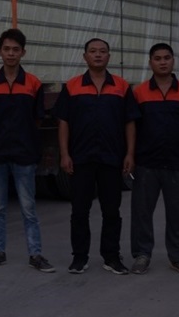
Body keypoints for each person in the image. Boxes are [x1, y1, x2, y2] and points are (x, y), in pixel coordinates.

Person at [54, 38, 140, 275]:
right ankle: (79, 257)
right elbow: (63, 122)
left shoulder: (121, 86)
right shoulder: (72, 86)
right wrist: (64, 154)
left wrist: (130, 153)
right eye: (93, 51)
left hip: (111, 159)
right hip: (81, 158)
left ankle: (111, 256)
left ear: (109, 57)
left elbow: (130, 122)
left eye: (103, 51)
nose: (98, 55)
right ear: (85, 57)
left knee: (111, 211)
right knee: (79, 211)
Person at [0, 28, 55, 273]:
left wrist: (22, 136)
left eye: (15, 49)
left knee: (28, 208)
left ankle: (35, 254)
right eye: (6, 49)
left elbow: (37, 119)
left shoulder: (33, 83)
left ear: (23, 53)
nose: (11, 53)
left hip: (24, 154)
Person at [130, 43, 179, 276]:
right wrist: (130, 155)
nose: (162, 62)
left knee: (177, 212)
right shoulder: (139, 92)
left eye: (166, 58)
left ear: (173, 61)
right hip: (146, 162)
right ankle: (142, 254)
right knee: (141, 212)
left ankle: (178, 257)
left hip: (177, 162)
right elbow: (132, 127)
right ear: (150, 62)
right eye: (157, 58)